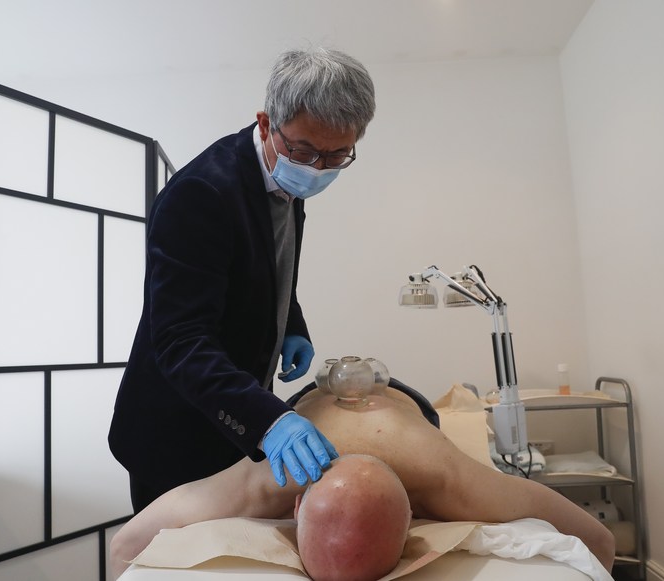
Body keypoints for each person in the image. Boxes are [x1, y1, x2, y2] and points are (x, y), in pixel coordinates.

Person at [108, 47, 377, 512]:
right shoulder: (201, 194)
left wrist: (292, 324)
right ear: (266, 123)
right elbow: (180, 341)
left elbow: (269, 265)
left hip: (236, 418)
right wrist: (270, 422)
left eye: (337, 156)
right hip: (176, 430)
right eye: (305, 151)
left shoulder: (287, 177)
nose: (317, 169)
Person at [109, 385, 616, 579]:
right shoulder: (264, 479)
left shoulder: (448, 478)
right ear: (295, 506)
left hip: (404, 402)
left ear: (417, 517)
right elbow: (598, 544)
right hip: (304, 408)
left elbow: (124, 546)